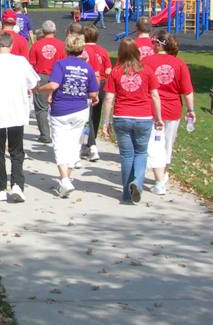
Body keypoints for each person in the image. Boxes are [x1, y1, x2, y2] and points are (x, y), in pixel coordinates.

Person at [0, 31, 40, 202]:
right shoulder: (21, 62)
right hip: (17, 111)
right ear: (11, 46)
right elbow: (34, 83)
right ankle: (18, 184)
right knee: (17, 150)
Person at [101, 38, 164, 204]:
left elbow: (109, 98)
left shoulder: (115, 72)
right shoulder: (147, 71)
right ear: (137, 52)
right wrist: (158, 118)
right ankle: (137, 182)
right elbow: (155, 96)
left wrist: (105, 122)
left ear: (120, 53)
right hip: (143, 117)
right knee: (141, 153)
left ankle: (127, 194)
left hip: (122, 117)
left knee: (127, 156)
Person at [36, 34, 100, 198]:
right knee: (75, 145)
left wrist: (40, 89)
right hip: (80, 109)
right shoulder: (87, 68)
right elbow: (93, 92)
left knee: (60, 144)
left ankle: (64, 179)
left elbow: (54, 84)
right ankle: (67, 179)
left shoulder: (61, 64)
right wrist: (93, 96)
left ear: (67, 48)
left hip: (61, 109)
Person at [143, 32, 196, 195]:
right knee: (167, 143)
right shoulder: (179, 64)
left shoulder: (146, 61)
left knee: (152, 142)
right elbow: (187, 91)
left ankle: (158, 176)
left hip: (151, 108)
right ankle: (163, 173)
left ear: (159, 44)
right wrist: (191, 109)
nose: (152, 46)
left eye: (153, 43)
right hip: (173, 109)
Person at [28, 19, 64, 144]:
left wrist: (32, 81)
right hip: (58, 77)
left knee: (41, 108)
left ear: (43, 31)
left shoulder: (36, 45)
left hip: (41, 77)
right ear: (55, 31)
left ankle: (45, 134)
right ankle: (58, 133)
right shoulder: (61, 45)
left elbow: (31, 65)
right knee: (58, 106)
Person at [81, 24, 112, 161]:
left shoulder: (83, 50)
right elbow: (108, 70)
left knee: (86, 118)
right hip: (102, 85)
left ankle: (91, 145)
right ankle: (88, 143)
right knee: (95, 116)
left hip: (88, 85)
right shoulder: (103, 50)